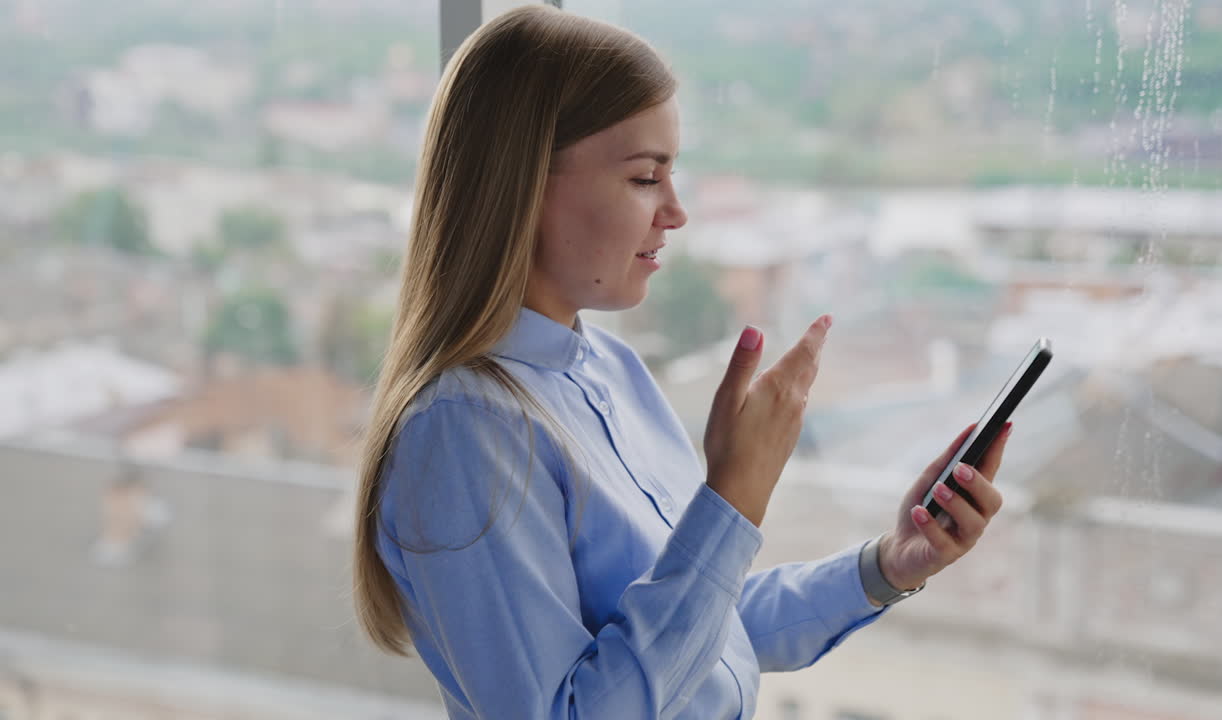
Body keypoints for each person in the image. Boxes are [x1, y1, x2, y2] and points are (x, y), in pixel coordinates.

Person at [352, 6, 1012, 719]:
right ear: (525, 185)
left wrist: (886, 567)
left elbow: (702, 636)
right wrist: (733, 499)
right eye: (645, 178)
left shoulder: (612, 372)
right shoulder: (463, 432)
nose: (676, 211)